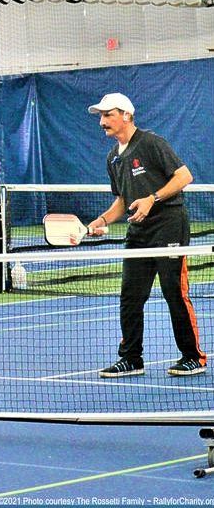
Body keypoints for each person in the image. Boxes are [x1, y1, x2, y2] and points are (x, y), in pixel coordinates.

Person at [86, 93, 206, 378]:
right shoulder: (113, 158)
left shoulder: (152, 143)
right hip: (138, 233)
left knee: (174, 291)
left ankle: (193, 357)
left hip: (169, 226)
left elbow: (184, 177)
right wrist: (101, 221)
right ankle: (131, 358)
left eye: (108, 115)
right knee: (130, 296)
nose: (102, 122)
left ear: (126, 115)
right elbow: (122, 201)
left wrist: (153, 198)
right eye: (101, 116)